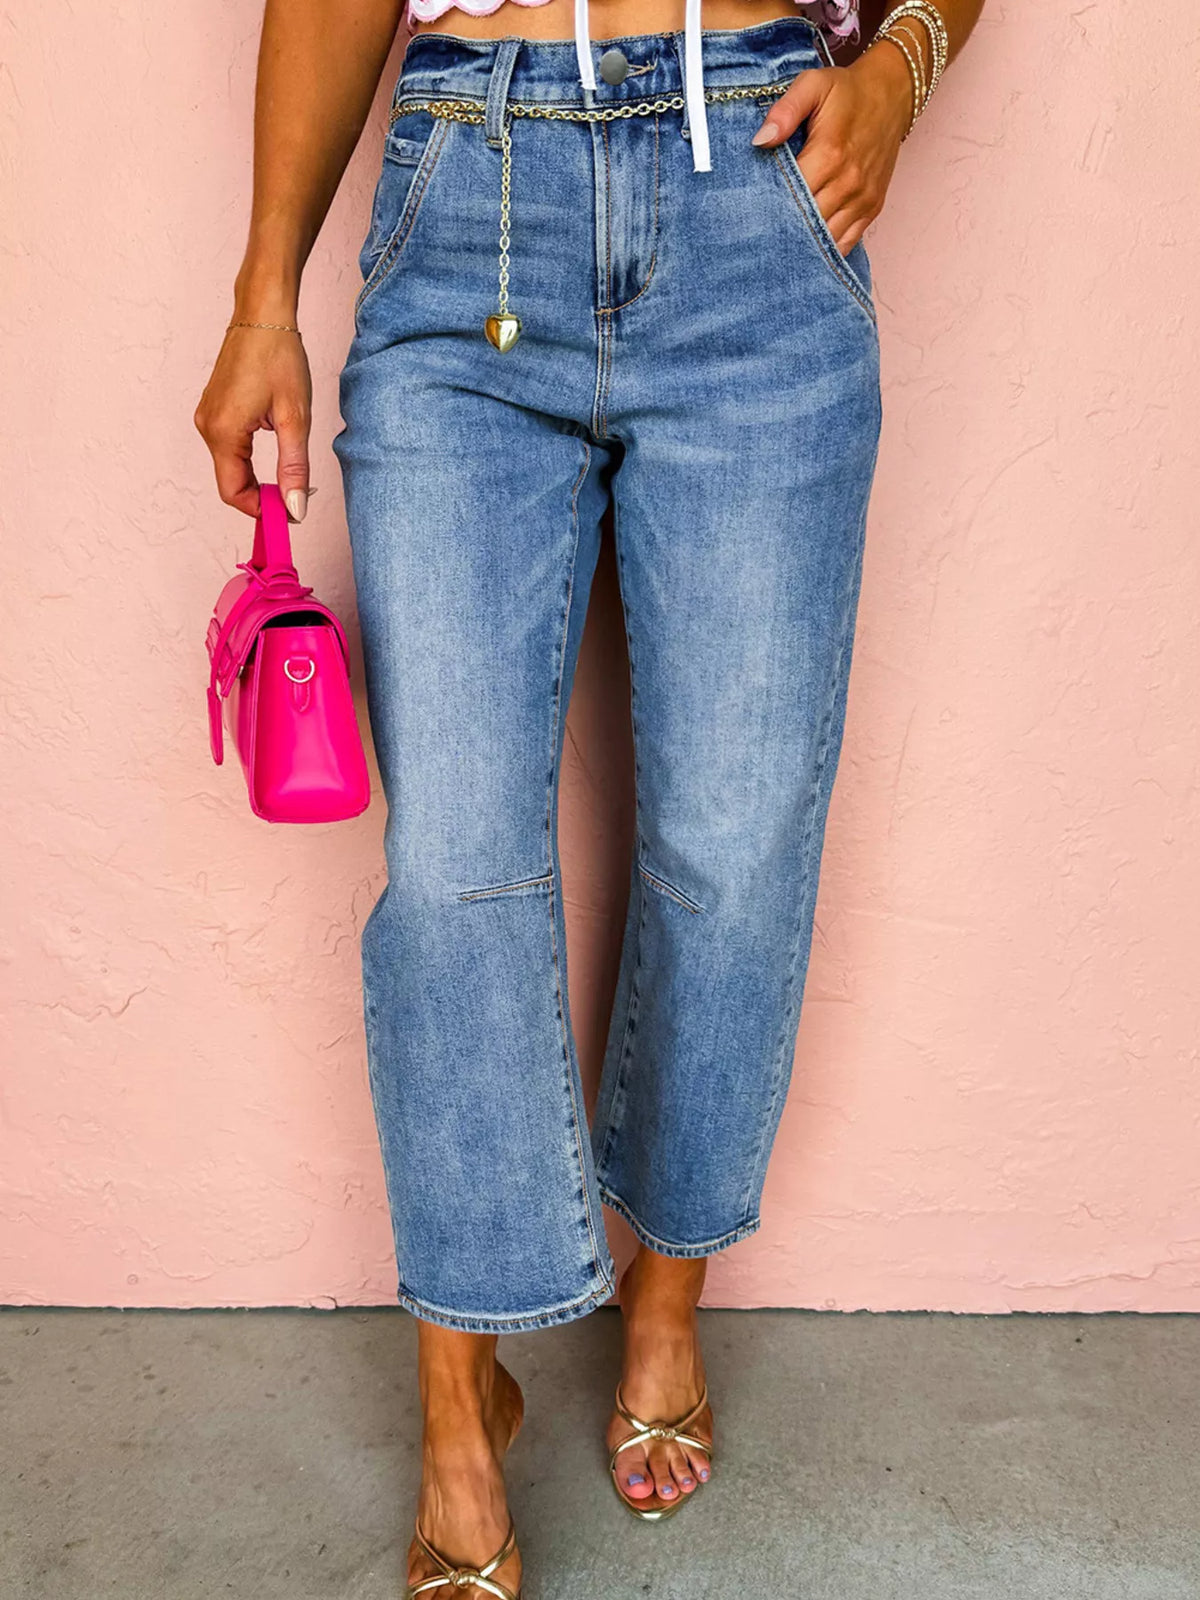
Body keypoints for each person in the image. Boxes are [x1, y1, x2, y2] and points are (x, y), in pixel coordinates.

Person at [195, 0, 984, 1593]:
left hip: (757, 190)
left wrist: (903, 67)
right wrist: (263, 286)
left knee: (741, 834)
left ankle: (665, 1301)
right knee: (456, 865)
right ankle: (456, 1399)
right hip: (472, 194)